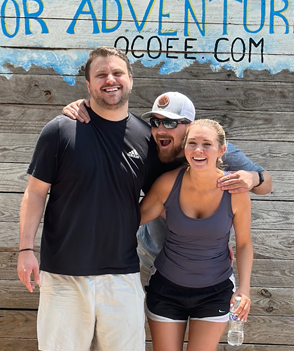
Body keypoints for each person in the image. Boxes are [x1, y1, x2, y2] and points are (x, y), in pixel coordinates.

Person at [17, 46, 160, 351]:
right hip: (63, 274)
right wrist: (25, 249)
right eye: (101, 74)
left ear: (131, 80)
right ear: (88, 85)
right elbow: (35, 191)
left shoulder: (146, 138)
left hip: (121, 276)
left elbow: (171, 191)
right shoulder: (60, 130)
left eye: (117, 73)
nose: (111, 79)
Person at [63, 91, 272, 284]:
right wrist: (83, 107)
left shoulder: (217, 151)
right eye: (155, 122)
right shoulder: (145, 145)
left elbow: (267, 184)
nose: (161, 130)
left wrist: (253, 178)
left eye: (171, 122)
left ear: (190, 126)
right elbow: (111, 126)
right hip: (151, 254)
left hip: (205, 264)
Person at [139, 119, 253, 351]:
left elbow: (243, 244)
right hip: (166, 290)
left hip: (215, 291)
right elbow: (130, 221)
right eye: (192, 143)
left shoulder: (235, 191)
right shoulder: (167, 183)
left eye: (206, 144)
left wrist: (244, 289)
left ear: (221, 150)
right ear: (184, 148)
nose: (198, 150)